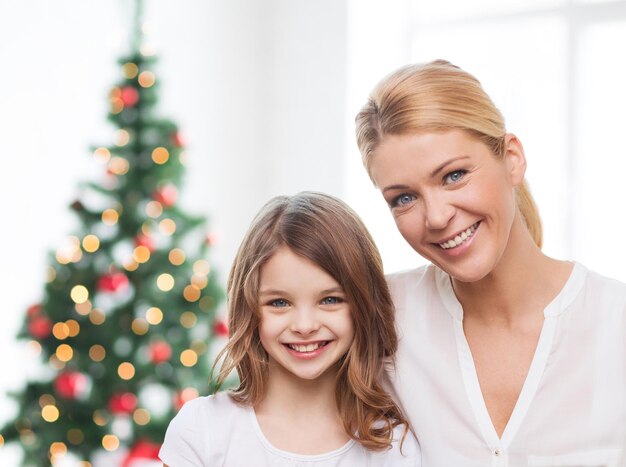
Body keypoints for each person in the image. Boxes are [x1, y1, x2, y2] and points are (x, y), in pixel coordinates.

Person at [355, 60, 626, 466]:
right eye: (404, 198)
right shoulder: (380, 319)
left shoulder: (614, 323)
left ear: (512, 158)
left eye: (453, 175)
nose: (436, 216)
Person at [159, 192, 421, 466]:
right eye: (280, 302)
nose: (304, 326)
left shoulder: (393, 447)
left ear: (362, 305)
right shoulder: (202, 430)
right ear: (249, 309)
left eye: (330, 300)